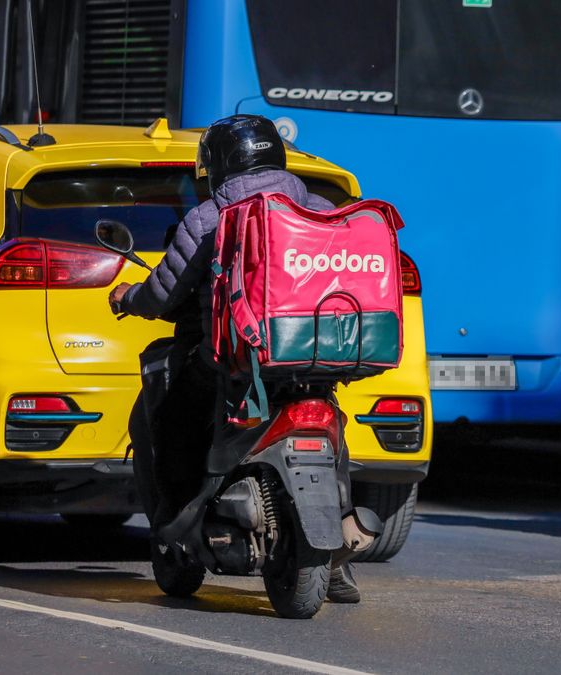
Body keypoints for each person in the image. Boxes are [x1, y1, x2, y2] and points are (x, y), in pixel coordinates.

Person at [109, 114, 372, 600]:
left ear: (218, 165)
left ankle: (175, 523)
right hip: (308, 362)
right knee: (334, 431)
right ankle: (337, 562)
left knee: (173, 418)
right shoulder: (319, 207)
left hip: (234, 362)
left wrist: (129, 299)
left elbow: (165, 291)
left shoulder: (210, 215)